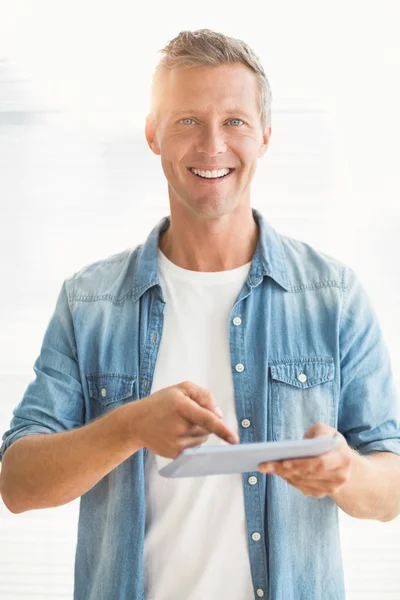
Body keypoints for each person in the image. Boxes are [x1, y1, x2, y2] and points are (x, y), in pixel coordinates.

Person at [1, 28, 400, 600]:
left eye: (234, 121)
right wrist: (130, 426)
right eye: (187, 120)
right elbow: (17, 483)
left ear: (264, 136)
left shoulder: (332, 296)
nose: (212, 145)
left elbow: (391, 486)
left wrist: (348, 473)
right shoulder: (89, 304)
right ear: (152, 134)